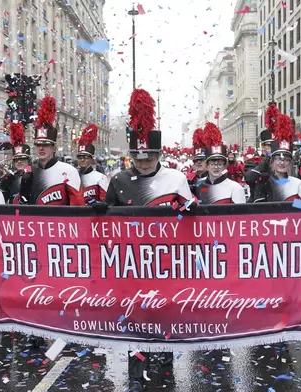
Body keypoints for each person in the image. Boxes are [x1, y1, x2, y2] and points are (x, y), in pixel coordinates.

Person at [105, 89, 194, 392]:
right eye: (137, 158)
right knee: (136, 319)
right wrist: (98, 212)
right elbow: (105, 223)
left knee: (164, 315)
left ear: (159, 155)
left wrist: (188, 210)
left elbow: (193, 216)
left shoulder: (176, 178)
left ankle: (165, 367)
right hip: (130, 264)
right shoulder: (117, 180)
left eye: (149, 158)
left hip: (167, 262)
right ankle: (135, 371)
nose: (143, 164)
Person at [16, 96, 84, 206]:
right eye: (38, 145)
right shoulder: (29, 171)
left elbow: (78, 206)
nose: (41, 148)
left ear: (54, 148)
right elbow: (22, 207)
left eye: (46, 144)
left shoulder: (69, 171)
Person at [252, 113, 301, 202]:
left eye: (286, 160)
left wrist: (292, 202)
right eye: (278, 159)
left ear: (290, 162)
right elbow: (258, 210)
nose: (282, 163)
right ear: (272, 161)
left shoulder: (299, 184)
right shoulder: (263, 183)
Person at [196, 122, 246, 204]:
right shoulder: (198, 185)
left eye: (219, 164)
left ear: (224, 166)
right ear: (207, 166)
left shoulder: (235, 188)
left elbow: (240, 215)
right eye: (212, 164)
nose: (216, 167)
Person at [245, 102, 281, 201]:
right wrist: (268, 158)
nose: (273, 148)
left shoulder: (284, 162)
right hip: (258, 203)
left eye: (275, 145)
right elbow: (249, 178)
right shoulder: (253, 162)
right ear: (263, 147)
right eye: (270, 146)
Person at [76, 123, 109, 204]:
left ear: (91, 159)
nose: (82, 160)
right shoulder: (73, 176)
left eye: (86, 157)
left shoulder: (100, 178)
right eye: (80, 157)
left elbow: (106, 201)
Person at [0, 122, 31, 203]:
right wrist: (3, 184)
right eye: (16, 159)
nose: (19, 161)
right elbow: (3, 200)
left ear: (28, 161)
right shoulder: (11, 178)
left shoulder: (34, 175)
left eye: (22, 159)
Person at [187, 127, 208, 194]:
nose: (199, 162)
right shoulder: (189, 179)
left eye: (201, 159)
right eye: (196, 160)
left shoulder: (213, 178)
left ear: (207, 162)